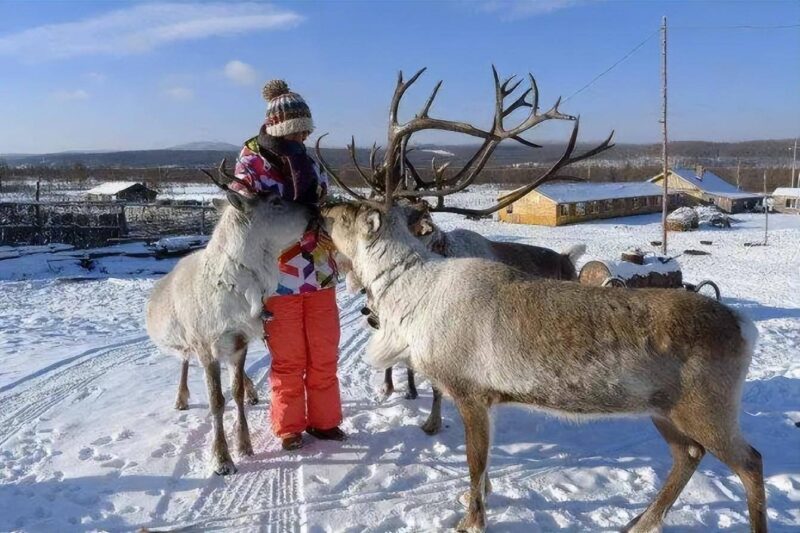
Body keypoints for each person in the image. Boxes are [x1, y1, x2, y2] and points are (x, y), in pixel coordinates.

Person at [231, 79, 345, 451]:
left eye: (306, 132)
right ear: (280, 128)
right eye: (298, 132)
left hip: (320, 271)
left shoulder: (308, 161)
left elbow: (323, 202)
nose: (303, 138)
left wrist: (329, 227)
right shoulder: (252, 163)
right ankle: (289, 426)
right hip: (277, 277)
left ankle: (325, 422)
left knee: (325, 351)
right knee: (289, 357)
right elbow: (246, 219)